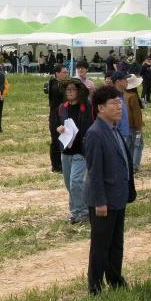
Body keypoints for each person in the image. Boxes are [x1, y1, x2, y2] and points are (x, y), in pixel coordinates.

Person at [83, 84, 136, 293]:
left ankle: (115, 280)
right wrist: (100, 201)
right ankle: (94, 287)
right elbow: (94, 171)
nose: (119, 107)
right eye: (114, 103)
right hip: (103, 200)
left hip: (118, 195)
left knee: (116, 243)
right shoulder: (95, 133)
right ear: (100, 108)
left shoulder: (114, 130)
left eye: (119, 103)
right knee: (100, 246)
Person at [57, 80, 94, 225]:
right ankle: (75, 213)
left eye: (73, 89)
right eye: (68, 89)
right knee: (68, 184)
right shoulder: (62, 108)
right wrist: (58, 128)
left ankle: (84, 213)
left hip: (81, 151)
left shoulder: (88, 107)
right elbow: (56, 124)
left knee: (76, 182)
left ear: (79, 91)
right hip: (66, 150)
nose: (70, 92)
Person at [44, 65, 69, 173]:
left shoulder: (58, 83)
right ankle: (56, 166)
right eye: (64, 72)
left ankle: (59, 165)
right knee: (56, 141)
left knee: (60, 140)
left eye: (66, 72)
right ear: (57, 73)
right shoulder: (55, 85)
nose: (66, 74)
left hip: (60, 116)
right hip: (55, 118)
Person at [121, 74, 145, 169]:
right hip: (134, 125)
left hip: (126, 124)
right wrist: (139, 127)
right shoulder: (133, 96)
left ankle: (128, 164)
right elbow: (136, 113)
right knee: (138, 145)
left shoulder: (123, 94)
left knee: (129, 145)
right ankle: (135, 165)